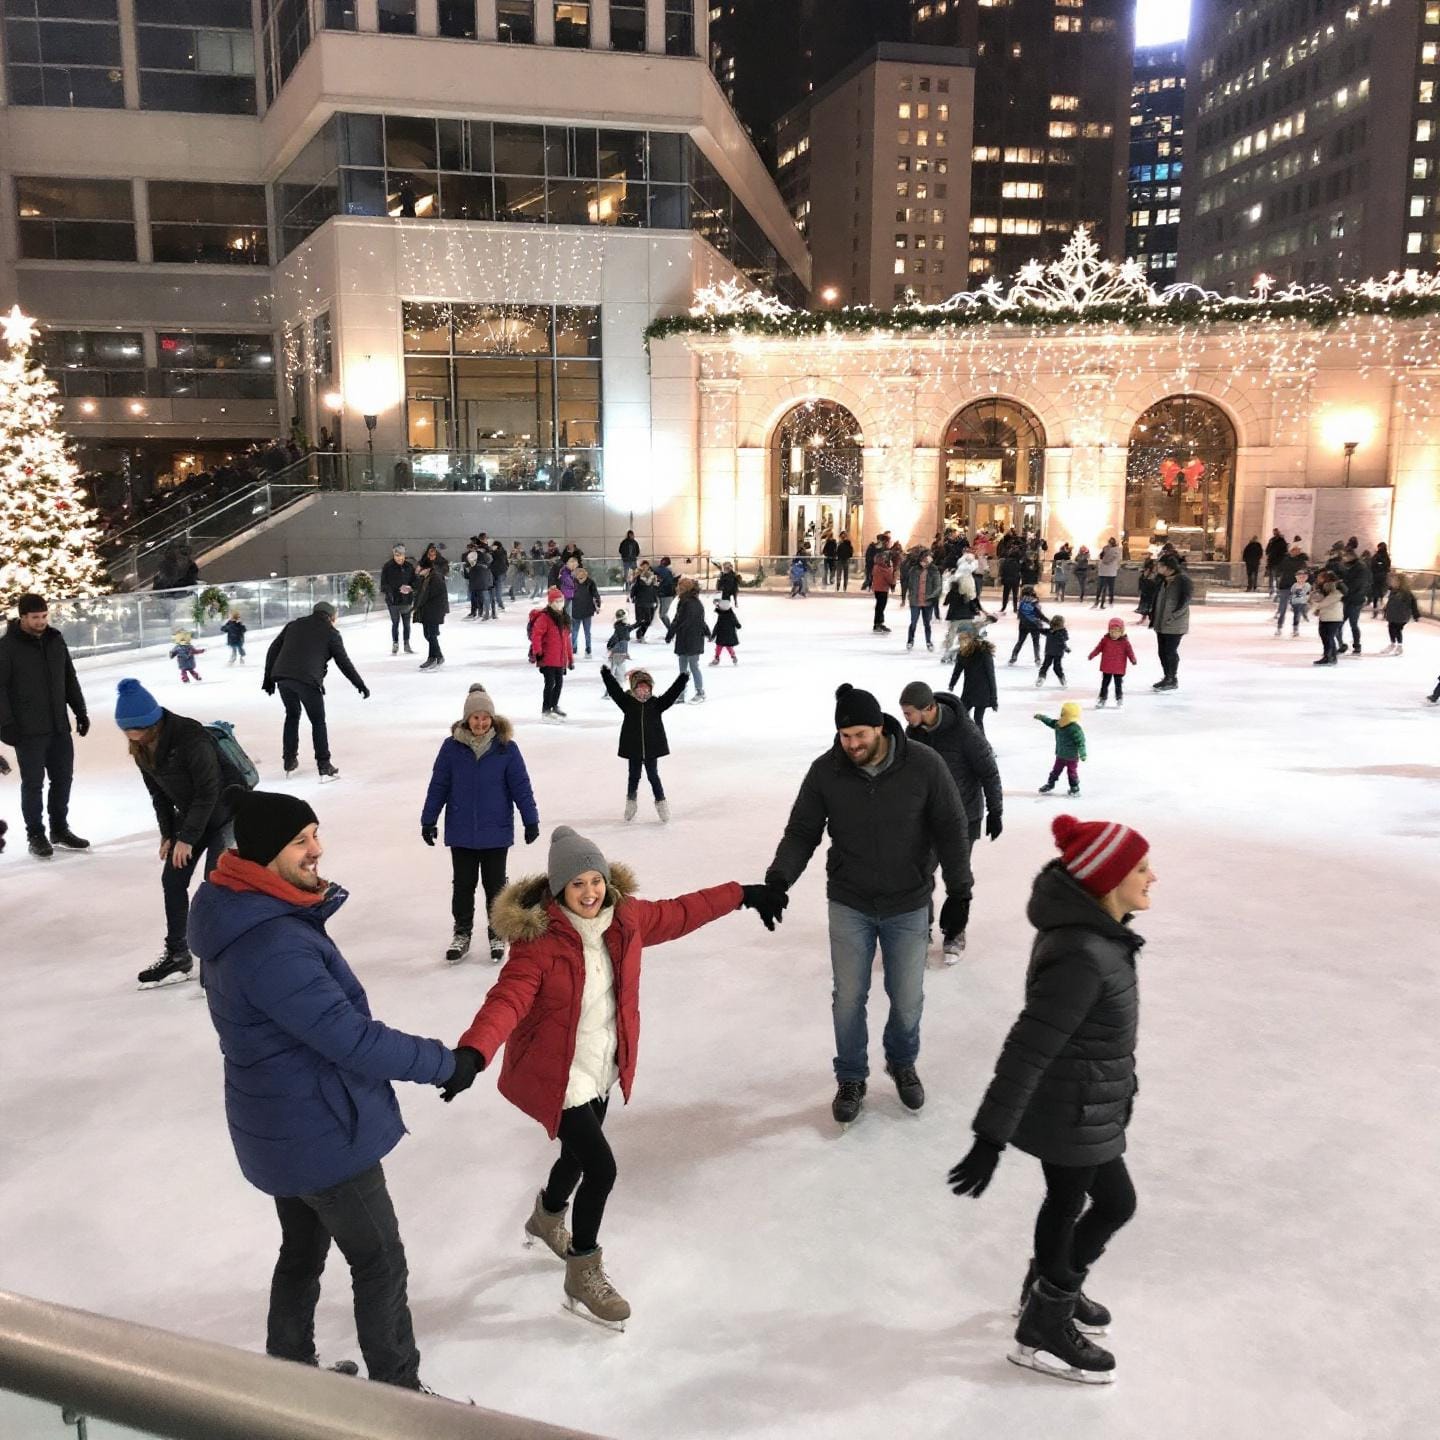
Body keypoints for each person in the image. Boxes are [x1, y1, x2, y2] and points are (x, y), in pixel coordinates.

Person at [441, 825, 786, 1327]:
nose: (590, 892)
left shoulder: (626, 919)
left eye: (595, 880)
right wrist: (474, 1052)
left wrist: (741, 895)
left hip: (601, 1063)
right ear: (559, 889)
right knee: (601, 1167)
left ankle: (547, 1215)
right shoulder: (539, 946)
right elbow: (507, 1001)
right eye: (577, 883)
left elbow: (681, 911)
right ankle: (583, 1269)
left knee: (576, 1157)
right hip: (557, 1073)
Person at [189, 788, 459, 1391]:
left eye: (316, 832)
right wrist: (446, 1064)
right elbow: (351, 1039)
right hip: (320, 1132)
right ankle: (399, 1395)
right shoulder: (272, 943)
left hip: (280, 1125)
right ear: (262, 854)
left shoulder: (241, 911)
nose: (317, 850)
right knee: (379, 1260)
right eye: (300, 841)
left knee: (302, 1250)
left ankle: (288, 1380)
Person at [948, 814, 1152, 1386]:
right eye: (1140, 868)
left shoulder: (1099, 938)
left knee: (1074, 1204)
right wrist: (989, 1138)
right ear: (1108, 880)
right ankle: (1045, 1320)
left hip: (1084, 1104)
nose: (1152, 876)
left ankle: (1046, 1296)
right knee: (1104, 1204)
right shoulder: (1084, 953)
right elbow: (1028, 1047)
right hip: (1073, 1110)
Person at [762, 684, 973, 1124]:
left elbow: (952, 830)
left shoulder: (924, 765)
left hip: (908, 900)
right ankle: (852, 1076)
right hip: (850, 899)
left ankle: (901, 1061)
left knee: (908, 997)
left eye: (859, 734)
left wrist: (959, 893)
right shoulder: (826, 771)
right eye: (844, 736)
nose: (852, 744)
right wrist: (779, 879)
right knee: (848, 997)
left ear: (880, 727)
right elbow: (802, 831)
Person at [115, 678, 236, 987]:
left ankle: (220, 960)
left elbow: (210, 792)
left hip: (226, 814)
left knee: (215, 887)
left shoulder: (190, 738)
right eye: (127, 730)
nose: (132, 736)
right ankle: (178, 954)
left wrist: (188, 838)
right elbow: (159, 795)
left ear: (152, 722)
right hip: (192, 818)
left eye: (137, 729)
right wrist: (168, 835)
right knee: (173, 879)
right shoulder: (142, 748)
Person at [422, 684, 540, 966]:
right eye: (475, 717)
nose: (480, 722)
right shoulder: (451, 748)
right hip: (461, 831)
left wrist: (530, 818)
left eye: (485, 716)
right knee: (463, 885)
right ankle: (461, 933)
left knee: (496, 886)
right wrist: (429, 819)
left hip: (495, 832)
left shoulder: (506, 749)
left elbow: (521, 787)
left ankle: (497, 932)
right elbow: (439, 785)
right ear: (466, 719)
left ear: (492, 718)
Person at [899, 680, 1002, 961]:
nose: (906, 719)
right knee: (921, 875)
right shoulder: (914, 733)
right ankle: (922, 929)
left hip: (963, 818)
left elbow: (989, 772)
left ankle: (955, 932)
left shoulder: (965, 732)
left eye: (909, 713)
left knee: (957, 879)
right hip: (928, 818)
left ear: (929, 708)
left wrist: (996, 812)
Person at [0, 594, 90, 858]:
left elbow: (68, 676)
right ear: (23, 617)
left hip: (58, 726)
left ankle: (59, 829)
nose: (41, 622)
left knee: (63, 779)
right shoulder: (7, 647)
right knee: (33, 784)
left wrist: (80, 711)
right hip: (28, 730)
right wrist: (5, 723)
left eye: (43, 616)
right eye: (35, 617)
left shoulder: (55, 639)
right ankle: (36, 835)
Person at [262, 601, 369, 780]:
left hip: (283, 677)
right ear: (331, 616)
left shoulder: (293, 625)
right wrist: (359, 684)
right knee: (318, 722)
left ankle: (289, 759)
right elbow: (343, 662)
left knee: (292, 715)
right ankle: (324, 764)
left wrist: (268, 678)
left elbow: (273, 650)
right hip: (307, 681)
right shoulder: (331, 633)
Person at [601, 666, 687, 822]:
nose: (643, 690)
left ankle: (661, 802)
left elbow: (672, 694)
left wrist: (682, 679)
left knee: (653, 776)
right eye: (640, 687)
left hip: (652, 748)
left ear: (650, 688)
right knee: (633, 776)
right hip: (633, 748)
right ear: (634, 688)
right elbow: (614, 691)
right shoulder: (627, 703)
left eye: (646, 687)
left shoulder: (656, 704)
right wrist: (606, 675)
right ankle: (631, 802)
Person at [530, 587, 574, 720]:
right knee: (550, 684)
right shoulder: (545, 618)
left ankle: (554, 705)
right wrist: (537, 652)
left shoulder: (564, 619)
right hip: (547, 658)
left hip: (560, 659)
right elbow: (536, 635)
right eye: (556, 601)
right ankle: (546, 709)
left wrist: (570, 659)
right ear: (550, 603)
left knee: (559, 683)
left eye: (561, 601)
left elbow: (567, 641)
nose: (559, 604)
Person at [664, 576, 709, 703]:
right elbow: (679, 620)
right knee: (683, 669)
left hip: (692, 639)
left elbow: (689, 621)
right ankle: (681, 694)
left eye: (679, 586)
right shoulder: (684, 601)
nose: (677, 588)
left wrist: (672, 633)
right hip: (684, 639)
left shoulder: (692, 603)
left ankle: (700, 692)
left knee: (693, 666)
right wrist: (672, 633)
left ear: (684, 588)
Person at [1150, 555, 1191, 692]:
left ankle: (1172, 678)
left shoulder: (1182, 581)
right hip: (1160, 622)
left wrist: (1172, 617)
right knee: (1162, 651)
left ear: (1168, 567)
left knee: (1170, 651)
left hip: (1174, 624)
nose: (1158, 568)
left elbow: (1184, 603)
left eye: (1160, 566)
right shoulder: (1162, 580)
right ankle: (1167, 677)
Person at [948, 631, 999, 732]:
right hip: (969, 691)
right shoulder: (962, 654)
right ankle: (964, 740)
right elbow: (957, 671)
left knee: (978, 718)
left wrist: (994, 699)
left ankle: (983, 743)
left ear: (971, 640)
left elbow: (991, 676)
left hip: (983, 692)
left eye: (965, 640)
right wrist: (952, 683)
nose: (963, 643)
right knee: (961, 716)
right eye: (960, 641)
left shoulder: (984, 653)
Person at [412, 547, 450, 670]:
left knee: (431, 634)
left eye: (420, 569)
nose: (418, 571)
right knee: (428, 634)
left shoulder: (436, 577)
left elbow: (429, 595)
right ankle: (437, 656)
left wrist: (416, 606)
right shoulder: (427, 578)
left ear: (426, 568)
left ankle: (433, 657)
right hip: (428, 611)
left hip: (434, 611)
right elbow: (419, 590)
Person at [1036, 702, 1085, 796]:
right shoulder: (1059, 724)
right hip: (1060, 755)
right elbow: (1050, 722)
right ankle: (1050, 784)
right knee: (1055, 771)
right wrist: (1042, 718)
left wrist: (1083, 753)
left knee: (1072, 773)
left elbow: (1081, 742)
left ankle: (1074, 787)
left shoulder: (1075, 729)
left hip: (1071, 757)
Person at [1089, 619, 1138, 708]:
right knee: (1104, 684)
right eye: (1112, 632)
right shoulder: (1105, 640)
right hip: (1107, 667)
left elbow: (1130, 652)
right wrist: (1092, 655)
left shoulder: (1125, 642)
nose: (1114, 634)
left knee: (1118, 684)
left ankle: (1119, 698)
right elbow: (1098, 648)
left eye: (1117, 632)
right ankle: (1102, 698)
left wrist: (1133, 659)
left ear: (1121, 632)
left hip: (1118, 668)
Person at [380, 544, 416, 656]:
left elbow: (415, 581)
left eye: (401, 555)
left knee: (407, 624)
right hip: (393, 601)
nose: (399, 558)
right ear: (394, 555)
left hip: (406, 600)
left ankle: (406, 643)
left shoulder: (409, 566)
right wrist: (395, 590)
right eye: (397, 555)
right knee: (395, 623)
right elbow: (383, 585)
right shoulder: (388, 566)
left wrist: (410, 588)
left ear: (404, 555)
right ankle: (395, 643)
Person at [1336, 547, 1370, 655]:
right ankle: (1341, 644)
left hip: (1355, 599)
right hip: (1346, 599)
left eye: (1345, 556)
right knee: (1339, 624)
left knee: (1353, 624)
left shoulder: (1360, 567)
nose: (1344, 558)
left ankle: (1357, 645)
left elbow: (1358, 584)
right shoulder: (1347, 566)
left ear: (1351, 555)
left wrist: (1343, 586)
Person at [1310, 569, 1347, 666]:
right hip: (1326, 617)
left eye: (1320, 578)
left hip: (1333, 618)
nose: (1318, 580)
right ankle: (1328, 656)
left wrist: (1314, 603)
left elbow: (1322, 603)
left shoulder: (1336, 593)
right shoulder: (1325, 591)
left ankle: (1331, 657)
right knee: (1325, 638)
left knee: (1329, 638)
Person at [906, 551, 941, 652]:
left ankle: (928, 642)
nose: (926, 561)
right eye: (925, 558)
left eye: (928, 559)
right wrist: (910, 595)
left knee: (927, 623)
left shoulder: (934, 570)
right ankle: (910, 640)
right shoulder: (914, 569)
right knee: (913, 622)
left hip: (927, 602)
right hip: (915, 601)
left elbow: (938, 586)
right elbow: (909, 583)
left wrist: (932, 597)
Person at [1380, 573, 1419, 655]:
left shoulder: (1406, 593)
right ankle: (1392, 644)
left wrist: (1416, 614)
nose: (1392, 582)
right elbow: (1390, 602)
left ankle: (1399, 646)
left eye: (1394, 581)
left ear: (1400, 582)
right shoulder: (1392, 591)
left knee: (1397, 629)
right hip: (1393, 614)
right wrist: (1385, 609)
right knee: (1391, 628)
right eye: (1392, 581)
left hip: (1402, 615)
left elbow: (1413, 603)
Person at [1272, 544, 1307, 635]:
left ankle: (1295, 628)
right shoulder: (1285, 560)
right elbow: (1279, 570)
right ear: (1291, 551)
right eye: (1295, 550)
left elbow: (1305, 573)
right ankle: (1279, 627)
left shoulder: (1302, 561)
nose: (1297, 551)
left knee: (1296, 609)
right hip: (1285, 586)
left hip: (1297, 587)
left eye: (1298, 550)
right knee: (1282, 608)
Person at [1008, 587, 1048, 666]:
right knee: (1036, 642)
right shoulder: (1034, 602)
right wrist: (1049, 622)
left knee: (1020, 641)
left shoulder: (1022, 602)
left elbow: (1019, 615)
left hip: (1023, 625)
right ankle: (1037, 658)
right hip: (1034, 625)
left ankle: (1013, 656)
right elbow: (1040, 615)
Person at [569, 565, 602, 659]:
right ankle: (573, 648)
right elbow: (568, 595)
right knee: (574, 631)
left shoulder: (590, 583)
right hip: (576, 611)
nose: (581, 574)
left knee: (587, 632)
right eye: (579, 573)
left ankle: (588, 648)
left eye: (582, 573)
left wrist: (598, 605)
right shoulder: (572, 583)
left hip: (587, 611)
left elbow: (596, 594)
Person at [463, 539, 494, 621]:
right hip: (475, 579)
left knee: (484, 596)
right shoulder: (471, 555)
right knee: (477, 597)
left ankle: (486, 613)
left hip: (482, 579)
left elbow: (489, 562)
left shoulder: (483, 555)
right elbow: (467, 565)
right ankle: (480, 613)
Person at [1036, 614, 1069, 687]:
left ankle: (1062, 678)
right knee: (1045, 666)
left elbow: (1065, 638)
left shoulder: (1062, 632)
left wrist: (1065, 647)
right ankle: (1041, 678)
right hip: (1049, 652)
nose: (1054, 628)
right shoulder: (1049, 631)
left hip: (1058, 653)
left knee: (1056, 668)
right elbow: (1041, 630)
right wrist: (1038, 625)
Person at [630, 561, 659, 642]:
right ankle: (626, 631)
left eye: (647, 566)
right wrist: (632, 596)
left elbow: (655, 588)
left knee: (648, 621)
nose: (645, 567)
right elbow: (633, 587)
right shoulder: (637, 576)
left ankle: (640, 633)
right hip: (640, 601)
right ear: (641, 567)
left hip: (650, 600)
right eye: (643, 566)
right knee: (640, 621)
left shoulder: (653, 577)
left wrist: (655, 599)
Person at [871, 549, 895, 632]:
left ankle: (879, 623)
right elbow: (889, 578)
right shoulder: (883, 568)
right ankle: (878, 623)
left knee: (879, 607)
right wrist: (892, 583)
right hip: (882, 589)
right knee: (880, 607)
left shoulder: (875, 567)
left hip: (877, 589)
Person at [711, 597, 741, 664]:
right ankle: (733, 656)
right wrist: (738, 625)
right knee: (728, 646)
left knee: (719, 646)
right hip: (729, 634)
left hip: (721, 634)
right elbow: (736, 622)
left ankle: (717, 658)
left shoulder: (721, 615)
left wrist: (713, 635)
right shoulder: (731, 614)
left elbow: (717, 626)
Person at [605, 607, 632, 680]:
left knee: (615, 666)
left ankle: (613, 677)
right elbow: (615, 637)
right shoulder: (623, 628)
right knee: (619, 666)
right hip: (620, 651)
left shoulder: (619, 627)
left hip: (618, 651)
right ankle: (618, 678)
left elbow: (614, 637)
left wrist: (609, 645)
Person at [1093, 540, 1121, 609]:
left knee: (1101, 588)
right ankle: (1110, 601)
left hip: (1103, 572)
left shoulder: (1106, 551)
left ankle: (1097, 601)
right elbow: (1116, 560)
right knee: (1110, 588)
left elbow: (1102, 559)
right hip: (1111, 573)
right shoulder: (1116, 551)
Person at [655, 557, 679, 628]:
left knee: (662, 614)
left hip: (666, 594)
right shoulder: (669, 571)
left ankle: (671, 631)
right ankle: (670, 630)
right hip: (666, 594)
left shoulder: (665, 571)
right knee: (662, 614)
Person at [1369, 541, 1392, 616]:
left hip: (1380, 578)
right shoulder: (1378, 556)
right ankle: (1376, 610)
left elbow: (1386, 565)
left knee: (1381, 594)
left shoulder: (1384, 556)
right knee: (1377, 594)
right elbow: (1373, 564)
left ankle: (1381, 610)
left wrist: (1379, 564)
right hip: (1378, 577)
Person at [1264, 528, 1289, 595]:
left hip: (1278, 562)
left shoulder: (1280, 541)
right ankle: (1272, 590)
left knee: (1277, 576)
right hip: (1273, 561)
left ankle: (1277, 590)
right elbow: (1267, 550)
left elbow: (1284, 551)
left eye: (1276, 532)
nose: (1275, 533)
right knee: (1273, 576)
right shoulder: (1273, 540)